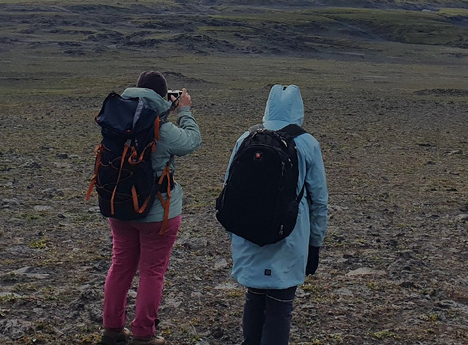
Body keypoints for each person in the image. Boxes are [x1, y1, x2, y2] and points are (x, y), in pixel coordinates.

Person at [100, 71, 202, 345]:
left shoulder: (116, 120)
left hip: (118, 207)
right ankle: (143, 335)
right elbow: (193, 141)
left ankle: (111, 329)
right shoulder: (162, 128)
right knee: (151, 272)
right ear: (162, 97)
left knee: (120, 265)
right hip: (158, 213)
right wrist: (185, 110)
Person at [227, 84, 328, 345]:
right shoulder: (308, 143)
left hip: (249, 235)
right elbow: (319, 201)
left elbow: (229, 190)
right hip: (290, 237)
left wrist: (236, 233)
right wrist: (314, 244)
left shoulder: (245, 139)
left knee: (254, 298)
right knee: (280, 307)